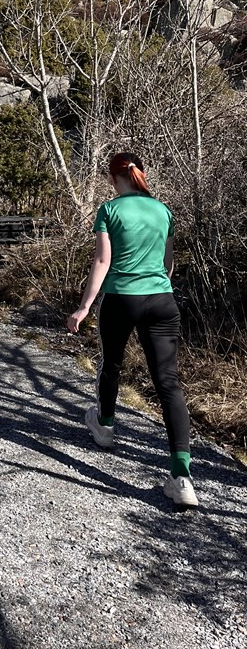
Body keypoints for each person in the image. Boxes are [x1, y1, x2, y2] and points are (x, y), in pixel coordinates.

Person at [67, 152, 198, 508]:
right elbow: (168, 264)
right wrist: (155, 288)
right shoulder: (163, 210)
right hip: (162, 301)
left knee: (111, 363)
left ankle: (105, 426)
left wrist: (84, 306)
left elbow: (102, 260)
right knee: (168, 383)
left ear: (113, 178)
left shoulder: (110, 210)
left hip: (121, 299)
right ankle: (182, 477)